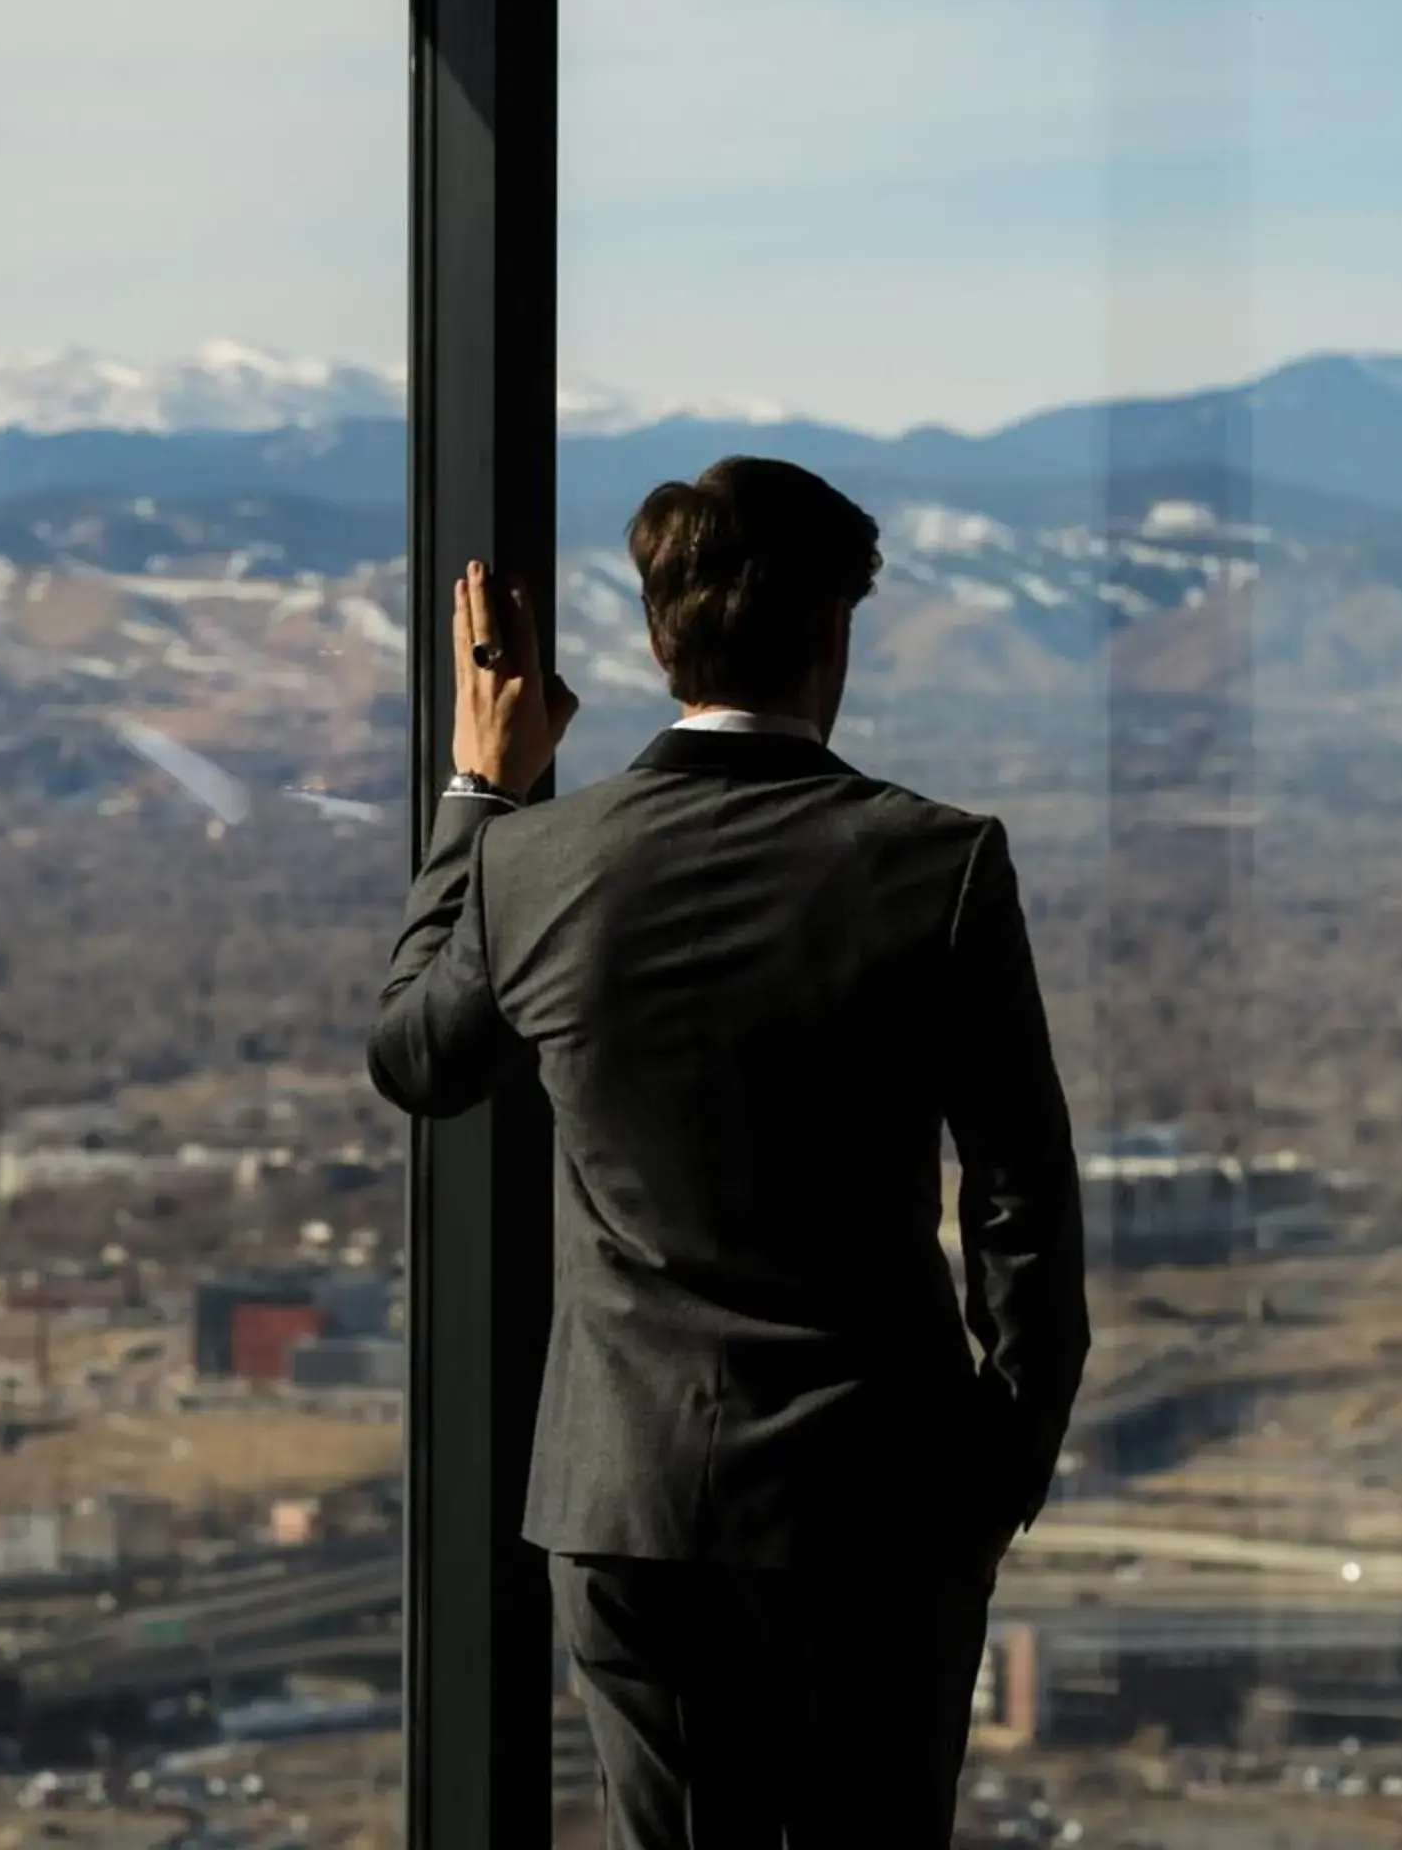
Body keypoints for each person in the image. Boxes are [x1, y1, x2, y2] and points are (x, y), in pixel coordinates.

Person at [369, 455, 1088, 1850]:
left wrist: (480, 792)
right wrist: (1003, 1467)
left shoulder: (540, 868)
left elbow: (415, 1057)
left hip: (630, 1501)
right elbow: (1022, 1200)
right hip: (882, 1502)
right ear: (834, 634)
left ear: (658, 640)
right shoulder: (936, 865)